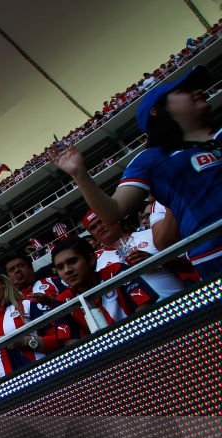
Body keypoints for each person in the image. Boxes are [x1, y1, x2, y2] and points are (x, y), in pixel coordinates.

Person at [51, 64, 222, 280]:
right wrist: (80, 175)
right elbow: (112, 212)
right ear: (156, 110)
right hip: (214, 254)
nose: (197, 91)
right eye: (184, 90)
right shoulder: (152, 159)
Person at [0, 264, 76, 378]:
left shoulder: (27, 305)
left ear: (3, 282)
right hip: (9, 387)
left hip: (42, 375)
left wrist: (26, 342)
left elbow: (60, 340)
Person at [52, 237, 160, 333]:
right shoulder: (62, 301)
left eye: (72, 261)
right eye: (60, 267)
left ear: (91, 259)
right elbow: (71, 343)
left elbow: (145, 309)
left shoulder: (116, 271)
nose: (67, 270)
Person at [80, 209, 188, 300]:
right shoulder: (97, 263)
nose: (100, 227)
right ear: (91, 233)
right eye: (93, 227)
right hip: (141, 318)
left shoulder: (151, 234)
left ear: (115, 219)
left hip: (179, 300)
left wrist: (155, 261)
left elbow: (189, 265)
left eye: (102, 221)